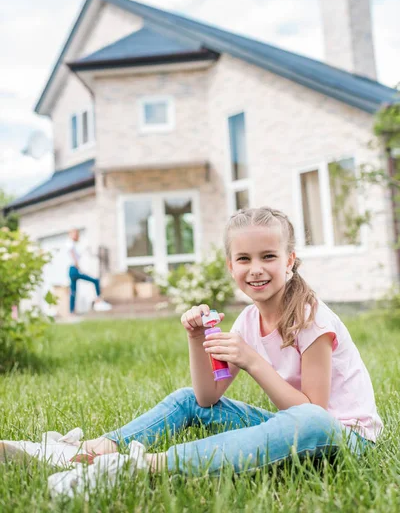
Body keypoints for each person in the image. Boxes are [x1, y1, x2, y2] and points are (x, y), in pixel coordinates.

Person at [0, 207, 382, 495]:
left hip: (346, 440)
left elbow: (313, 413)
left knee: (310, 422)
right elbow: (206, 397)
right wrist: (196, 340)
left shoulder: (312, 319)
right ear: (230, 266)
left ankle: (138, 466)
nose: (256, 269)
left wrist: (252, 361)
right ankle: (87, 450)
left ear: (290, 261)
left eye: (269, 257)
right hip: (298, 424)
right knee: (186, 400)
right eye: (244, 259)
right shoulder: (248, 320)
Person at [67, 228, 112, 314]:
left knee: (73, 290)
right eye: (75, 234)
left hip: (72, 270)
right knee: (95, 280)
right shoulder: (70, 244)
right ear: (71, 234)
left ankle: (71, 311)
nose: (77, 236)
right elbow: (73, 256)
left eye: (77, 234)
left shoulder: (74, 244)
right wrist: (77, 266)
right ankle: (99, 300)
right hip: (74, 269)